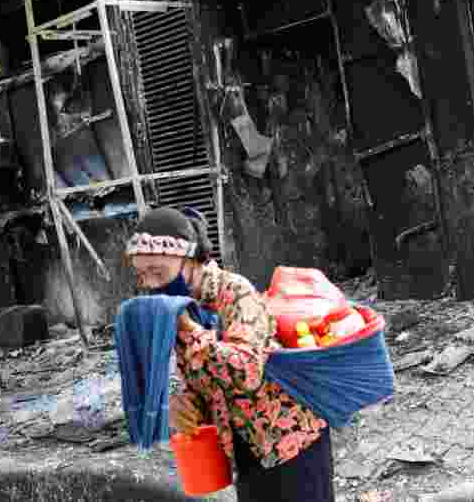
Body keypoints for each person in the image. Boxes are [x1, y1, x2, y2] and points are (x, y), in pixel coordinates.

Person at [124, 207, 335, 502]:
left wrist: (188, 329)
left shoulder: (235, 292)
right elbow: (203, 378)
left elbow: (245, 371)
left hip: (292, 442)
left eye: (157, 272)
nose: (149, 285)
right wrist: (186, 404)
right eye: (142, 275)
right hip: (246, 450)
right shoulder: (180, 306)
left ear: (189, 260)